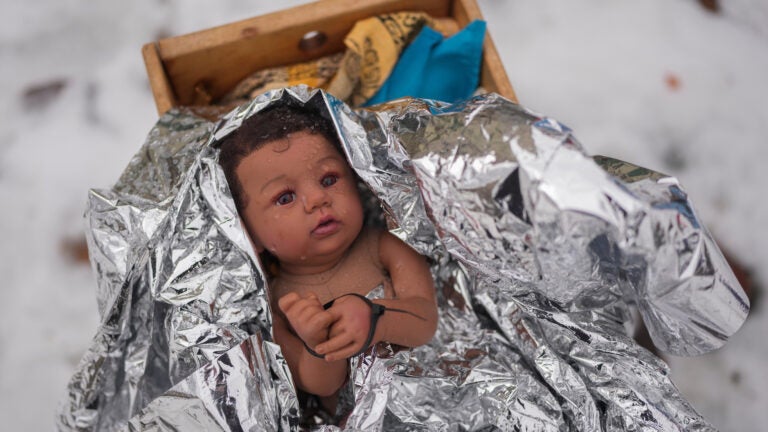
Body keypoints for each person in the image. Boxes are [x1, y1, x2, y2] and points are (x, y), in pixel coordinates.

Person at [218, 104, 438, 419]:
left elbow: (425, 321)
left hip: (424, 398)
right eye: (285, 197)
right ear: (249, 236)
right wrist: (317, 345)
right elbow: (322, 386)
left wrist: (377, 318)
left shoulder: (382, 246)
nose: (318, 199)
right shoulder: (279, 302)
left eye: (329, 179)